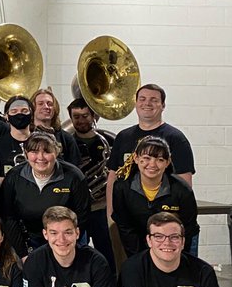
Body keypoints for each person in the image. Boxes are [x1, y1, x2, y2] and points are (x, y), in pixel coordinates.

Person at [0, 130, 90, 256]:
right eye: (34, 152)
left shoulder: (74, 177)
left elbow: (82, 216)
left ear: (56, 153)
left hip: (67, 240)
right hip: (29, 240)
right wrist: (23, 254)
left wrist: (64, 246)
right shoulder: (13, 177)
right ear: (26, 154)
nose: (40, 157)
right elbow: (9, 217)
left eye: (47, 151)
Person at [106, 84, 195, 213]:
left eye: (154, 100)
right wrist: (110, 213)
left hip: (162, 215)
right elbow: (112, 178)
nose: (147, 103)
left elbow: (185, 183)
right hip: (128, 215)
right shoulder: (123, 136)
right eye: (142, 99)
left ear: (163, 106)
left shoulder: (176, 138)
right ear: (136, 103)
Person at [111, 136, 199, 258]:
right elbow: (125, 227)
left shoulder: (182, 190)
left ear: (167, 163)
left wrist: (176, 258)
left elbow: (188, 228)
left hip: (175, 246)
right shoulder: (122, 188)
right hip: (137, 247)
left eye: (160, 160)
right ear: (136, 158)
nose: (152, 164)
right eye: (146, 158)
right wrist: (140, 259)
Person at [66, 98, 116, 266]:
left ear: (94, 116)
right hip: (78, 208)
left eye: (85, 115)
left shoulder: (108, 140)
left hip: (101, 207)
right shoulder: (67, 142)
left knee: (108, 250)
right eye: (76, 116)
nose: (81, 120)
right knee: (77, 251)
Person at [30, 88, 81, 167]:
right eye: (40, 104)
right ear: (32, 108)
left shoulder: (67, 139)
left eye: (50, 104)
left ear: (55, 108)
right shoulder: (26, 135)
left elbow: (75, 169)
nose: (46, 107)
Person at [0, 95, 33, 179]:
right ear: (6, 116)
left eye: (24, 111)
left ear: (31, 114)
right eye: (14, 111)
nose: (19, 114)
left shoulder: (42, 143)